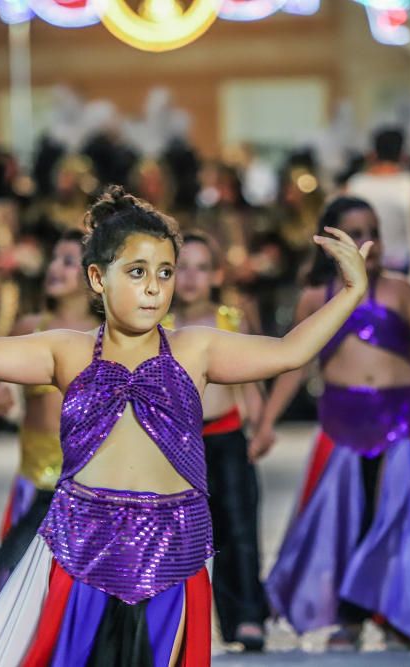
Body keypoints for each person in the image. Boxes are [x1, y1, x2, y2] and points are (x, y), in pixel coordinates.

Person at [0, 185, 371, 665]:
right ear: (97, 278)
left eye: (165, 272)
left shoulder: (194, 348)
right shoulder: (66, 350)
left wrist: (351, 292)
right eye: (137, 272)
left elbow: (290, 352)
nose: (154, 287)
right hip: (82, 548)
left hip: (174, 548)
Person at [253, 197, 410, 650]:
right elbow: (295, 364)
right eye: (354, 232)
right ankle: (350, 615)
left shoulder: (401, 292)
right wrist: (265, 423)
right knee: (343, 524)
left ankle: (393, 611)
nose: (367, 242)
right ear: (331, 241)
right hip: (342, 427)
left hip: (397, 424)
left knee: (392, 521)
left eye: (372, 230)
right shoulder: (315, 299)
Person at [166, 232, 268, 651]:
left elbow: (251, 380)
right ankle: (176, 621)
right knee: (175, 533)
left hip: (225, 436)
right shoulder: (158, 324)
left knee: (238, 528)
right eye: (181, 268)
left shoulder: (229, 319)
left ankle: (245, 614)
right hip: (175, 442)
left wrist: (261, 424)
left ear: (216, 274)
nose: (191, 278)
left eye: (201, 268)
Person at [0, 230, 100, 599]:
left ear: (96, 275)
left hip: (92, 480)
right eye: (54, 259)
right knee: (14, 576)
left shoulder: (111, 336)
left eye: (68, 261)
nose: (54, 267)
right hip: (36, 475)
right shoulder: (30, 329)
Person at [345, 127, 410, 294]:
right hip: (409, 276)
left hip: (364, 273)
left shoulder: (354, 185)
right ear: (404, 155)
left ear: (373, 154)